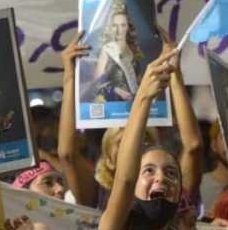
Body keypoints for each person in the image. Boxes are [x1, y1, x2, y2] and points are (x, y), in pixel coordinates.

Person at [90, 46, 228, 230]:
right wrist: (144, 96)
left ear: (180, 193)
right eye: (148, 170)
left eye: (170, 173)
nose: (160, 177)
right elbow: (124, 179)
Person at [59, 29, 204, 213]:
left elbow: (193, 146)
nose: (133, 146)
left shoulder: (171, 193)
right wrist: (70, 77)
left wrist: (174, 74)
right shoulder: (98, 195)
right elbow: (67, 154)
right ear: (109, 160)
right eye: (121, 142)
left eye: (145, 142)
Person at [85, 0, 143, 102]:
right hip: (113, 103)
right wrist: (116, 90)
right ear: (110, 27)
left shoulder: (135, 50)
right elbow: (95, 84)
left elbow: (139, 80)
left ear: (128, 27)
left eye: (122, 25)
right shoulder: (106, 50)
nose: (118, 30)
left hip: (134, 104)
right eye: (114, 25)